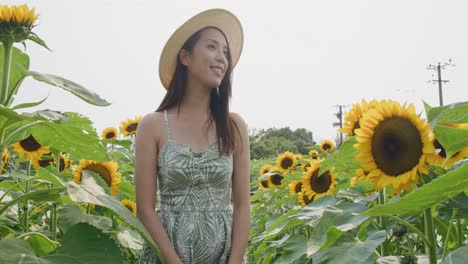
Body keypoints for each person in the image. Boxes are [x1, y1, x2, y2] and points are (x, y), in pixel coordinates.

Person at [135, 9, 251, 264]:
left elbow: (242, 205)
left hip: (224, 256)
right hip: (168, 256)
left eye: (225, 52)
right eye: (212, 47)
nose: (222, 58)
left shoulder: (234, 126)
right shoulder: (153, 125)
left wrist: (235, 260)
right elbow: (144, 209)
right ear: (185, 56)